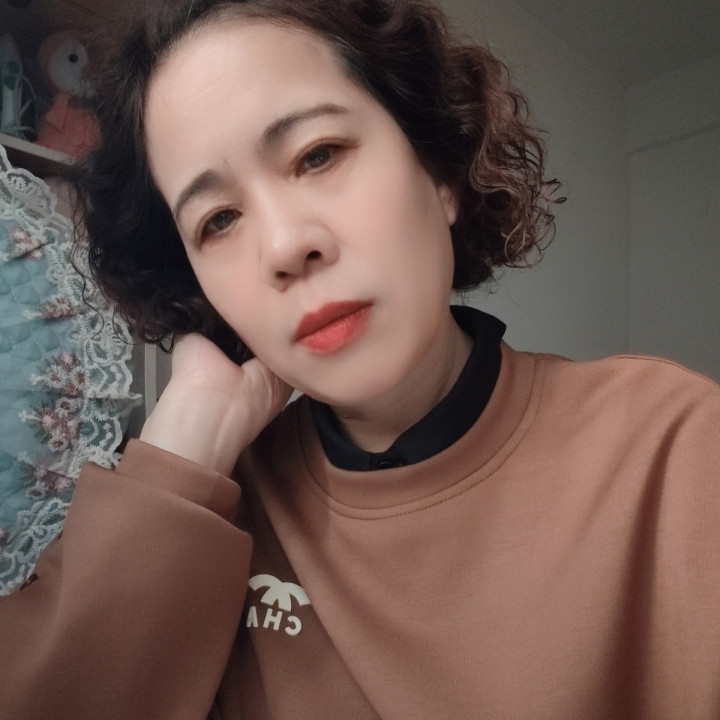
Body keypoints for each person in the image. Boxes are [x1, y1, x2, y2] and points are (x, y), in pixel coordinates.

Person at [1, 0, 719, 718]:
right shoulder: (218, 510)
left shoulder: (675, 446)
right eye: (218, 220)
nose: (286, 246)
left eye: (318, 155)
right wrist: (178, 453)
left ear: (438, 169)